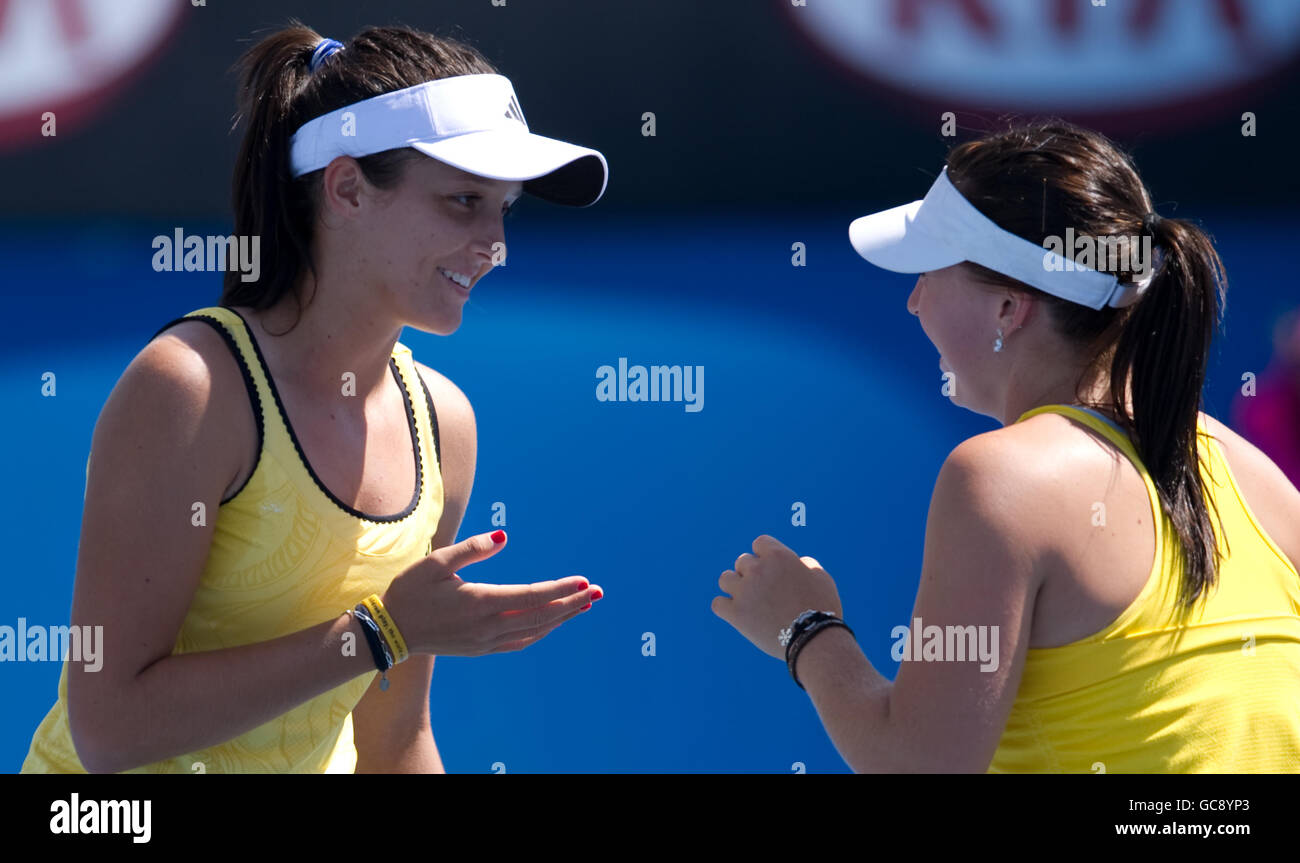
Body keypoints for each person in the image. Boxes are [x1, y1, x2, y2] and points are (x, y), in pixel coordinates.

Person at [22, 23, 607, 774]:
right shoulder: (188, 388)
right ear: (346, 188)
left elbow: (397, 739)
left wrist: (388, 636)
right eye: (464, 200)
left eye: (505, 208)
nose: (494, 244)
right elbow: (109, 728)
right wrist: (379, 634)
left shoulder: (445, 424)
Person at [711, 120, 1300, 772]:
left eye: (930, 271)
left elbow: (920, 764)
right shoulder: (1256, 474)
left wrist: (807, 628)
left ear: (1008, 309)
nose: (912, 301)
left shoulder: (999, 478)